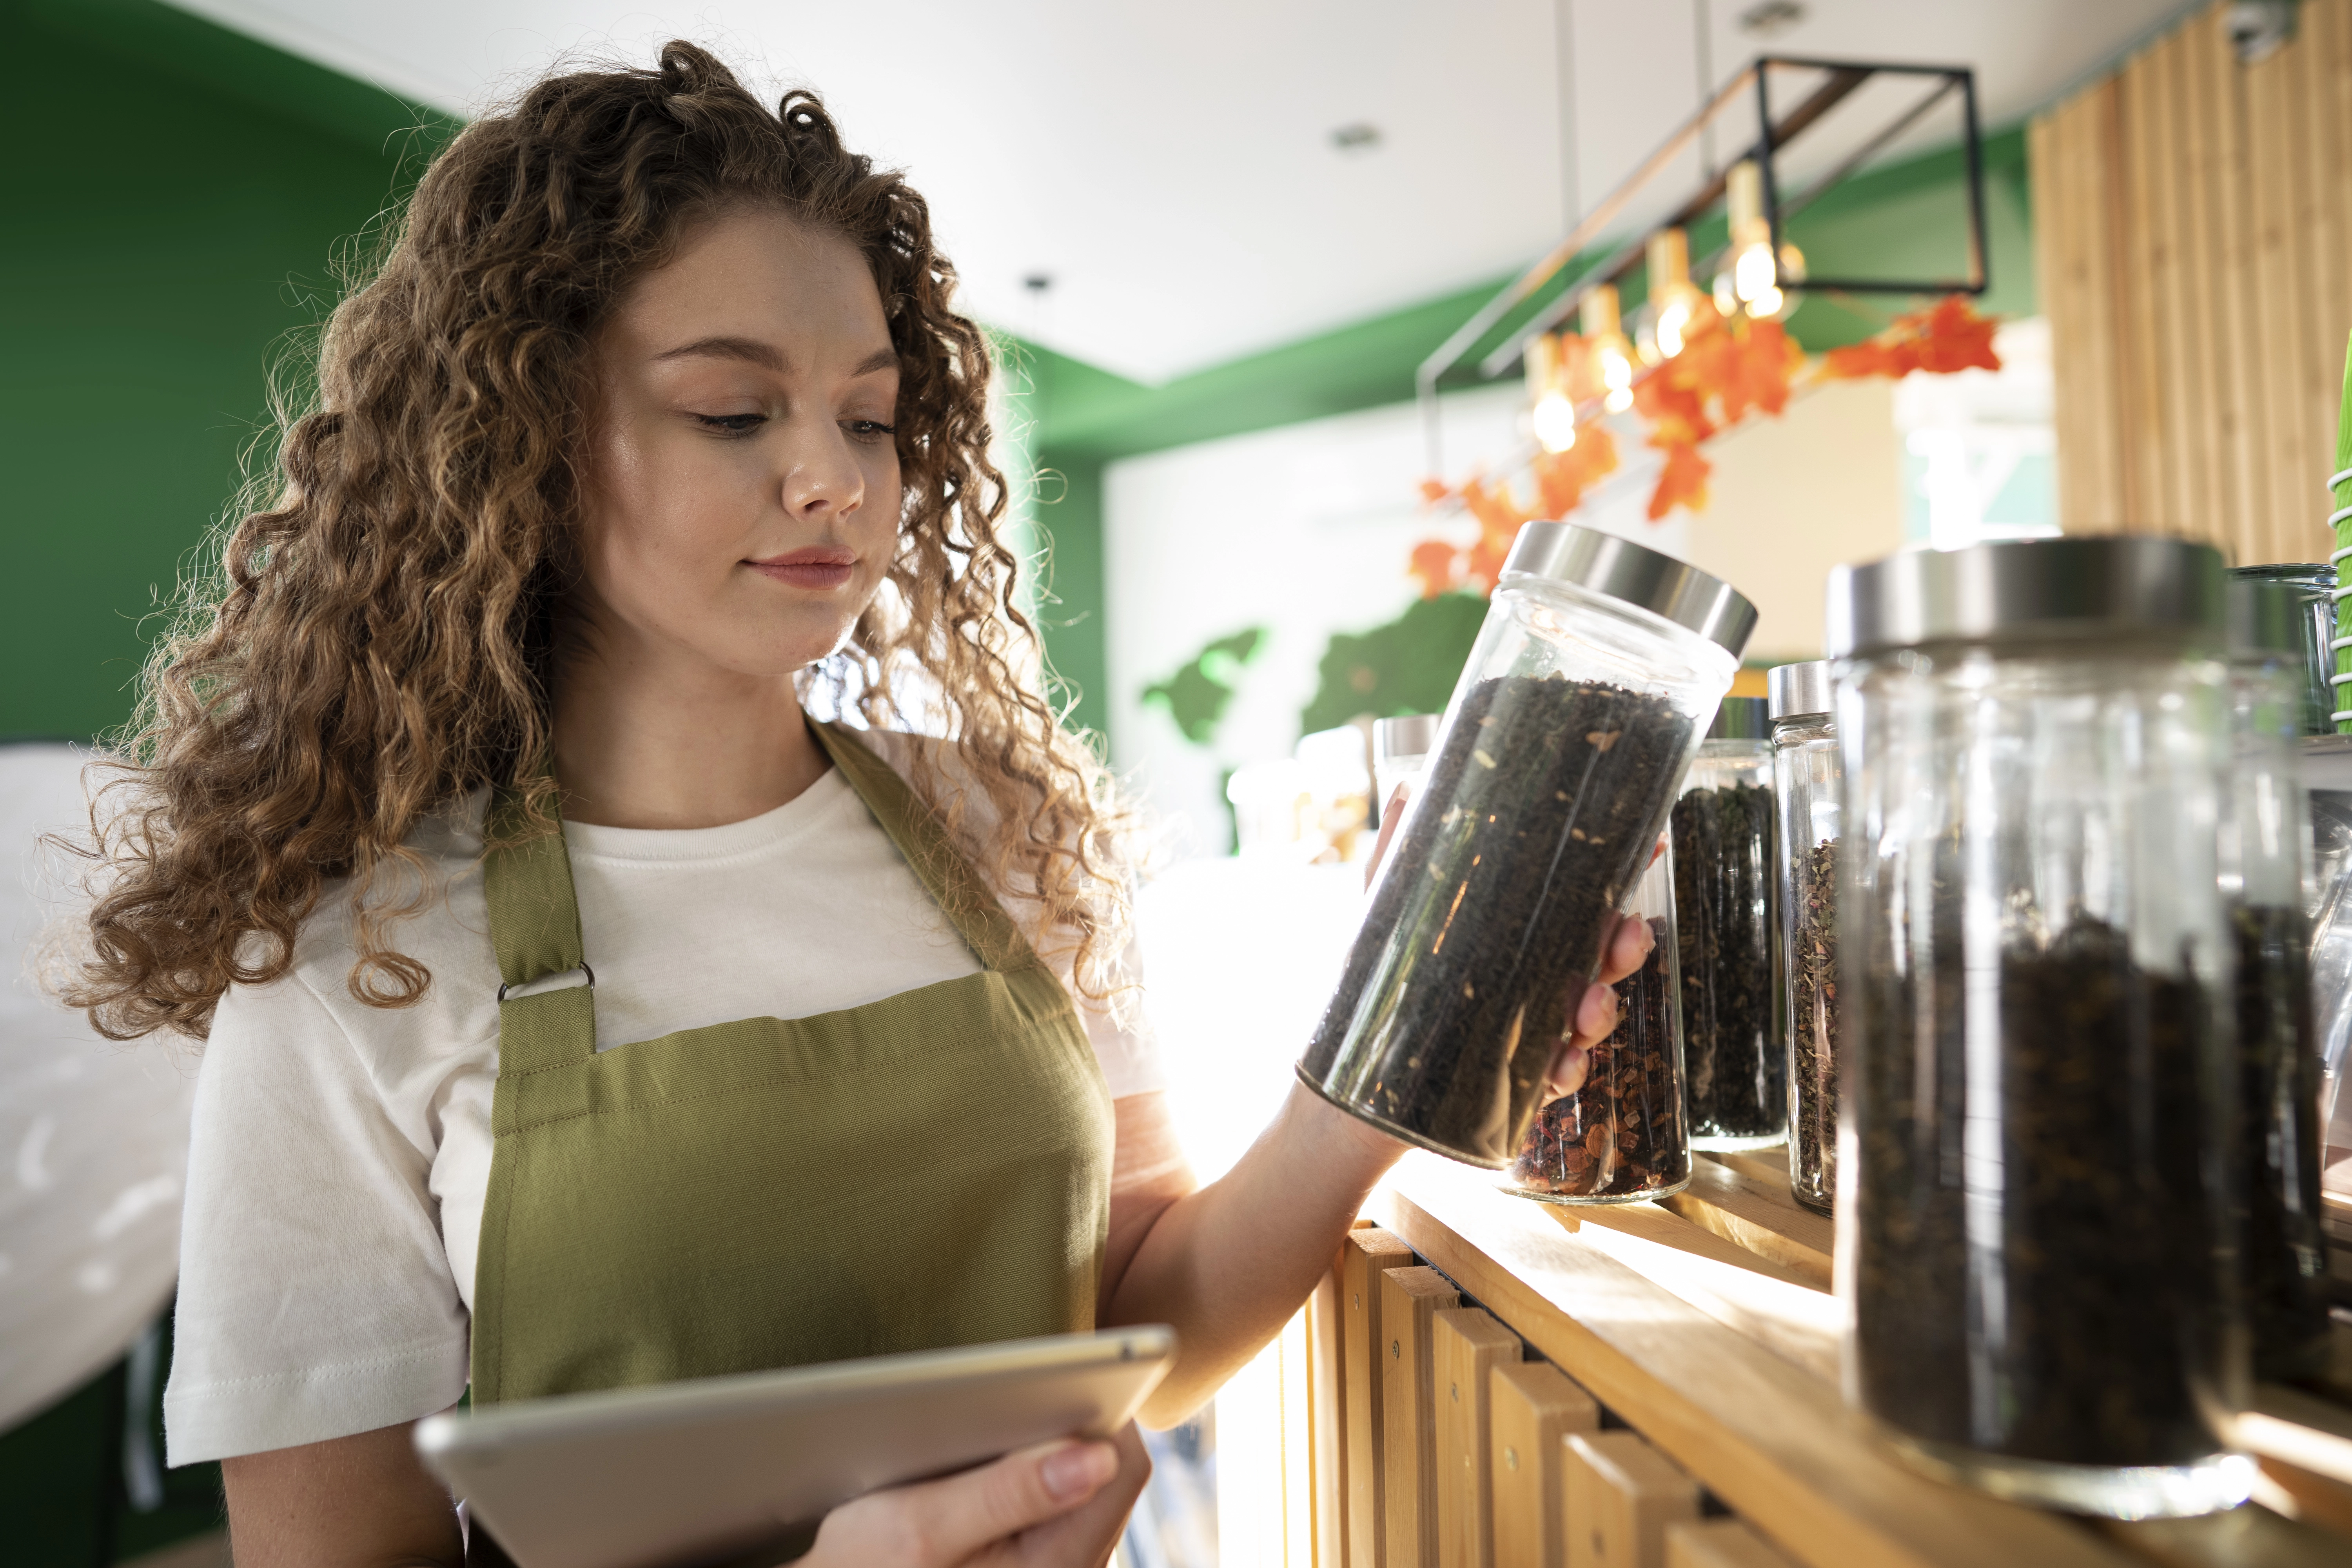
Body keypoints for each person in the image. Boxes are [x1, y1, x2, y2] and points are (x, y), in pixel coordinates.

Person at [60, 43, 1646, 1567]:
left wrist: (1386, 1075)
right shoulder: (360, 963)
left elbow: (1132, 1334)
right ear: (524, 443)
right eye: (735, 411)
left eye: (871, 416)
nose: (838, 478)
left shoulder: (1002, 828)